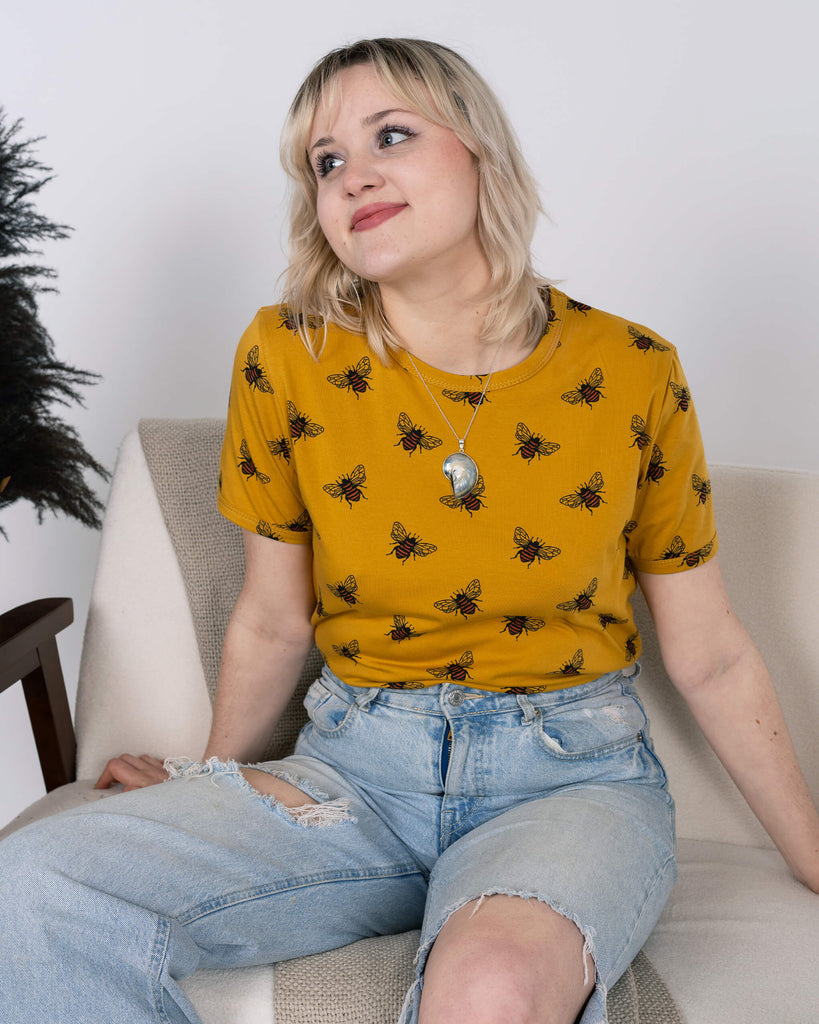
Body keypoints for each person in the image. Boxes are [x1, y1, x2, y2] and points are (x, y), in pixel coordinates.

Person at [1, 37, 818, 1024]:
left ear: (480, 151)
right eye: (326, 161)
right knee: (31, 883)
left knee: (492, 988)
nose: (354, 175)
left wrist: (812, 855)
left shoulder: (635, 368)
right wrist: (208, 782)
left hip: (571, 783)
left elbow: (714, 655)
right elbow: (271, 620)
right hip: (355, 776)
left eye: (392, 134)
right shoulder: (286, 355)